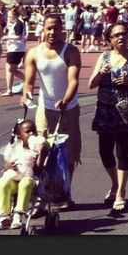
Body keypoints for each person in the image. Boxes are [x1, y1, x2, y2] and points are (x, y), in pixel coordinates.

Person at [21, 13, 82, 212]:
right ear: (43, 29)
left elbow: (74, 80)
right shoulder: (34, 53)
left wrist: (65, 99)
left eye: (56, 28)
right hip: (44, 109)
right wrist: (26, 94)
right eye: (48, 28)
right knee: (42, 151)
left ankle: (66, 192)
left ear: (62, 29)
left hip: (68, 108)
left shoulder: (70, 51)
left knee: (69, 153)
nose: (52, 32)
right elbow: (29, 82)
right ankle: (41, 197)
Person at [88, 21, 128, 213]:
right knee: (104, 152)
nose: (121, 37)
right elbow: (91, 84)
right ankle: (115, 183)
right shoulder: (104, 57)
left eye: (124, 33)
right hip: (105, 110)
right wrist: (100, 73)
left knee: (123, 152)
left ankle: (121, 193)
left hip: (126, 112)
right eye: (116, 35)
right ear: (110, 39)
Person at [0, 119, 48, 230]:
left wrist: (41, 153)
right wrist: (7, 166)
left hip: (29, 180)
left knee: (26, 182)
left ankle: (18, 215)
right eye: (27, 132)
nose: (31, 134)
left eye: (34, 131)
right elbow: (6, 165)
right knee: (3, 183)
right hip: (13, 179)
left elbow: (38, 169)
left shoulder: (36, 149)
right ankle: (5, 216)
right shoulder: (16, 147)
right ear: (20, 136)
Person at [0, 6, 26, 96]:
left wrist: (7, 37)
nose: (9, 17)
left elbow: (19, 36)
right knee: (13, 70)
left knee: (9, 70)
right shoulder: (13, 23)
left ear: (15, 15)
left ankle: (9, 90)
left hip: (15, 49)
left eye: (10, 16)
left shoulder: (19, 23)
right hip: (15, 49)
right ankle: (28, 81)